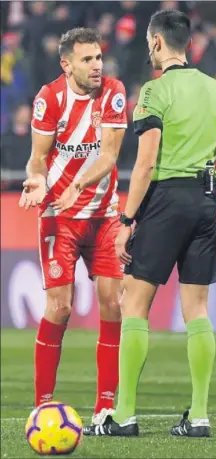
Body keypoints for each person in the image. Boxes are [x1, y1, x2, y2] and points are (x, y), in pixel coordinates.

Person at [83, 9, 216, 437]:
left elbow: (146, 163)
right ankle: (198, 417)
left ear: (156, 42)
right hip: (207, 201)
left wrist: (126, 219)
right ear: (187, 44)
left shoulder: (154, 93)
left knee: (133, 304)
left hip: (166, 200)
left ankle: (124, 416)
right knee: (197, 311)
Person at [19, 27, 128, 426]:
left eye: (98, 57)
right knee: (60, 307)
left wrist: (80, 184)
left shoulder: (113, 91)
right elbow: (37, 157)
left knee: (114, 305)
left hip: (102, 216)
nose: (97, 65)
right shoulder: (49, 98)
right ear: (66, 64)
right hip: (59, 216)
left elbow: (110, 154)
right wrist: (36, 179)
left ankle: (105, 406)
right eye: (87, 59)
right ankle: (43, 403)